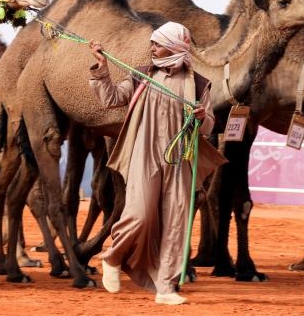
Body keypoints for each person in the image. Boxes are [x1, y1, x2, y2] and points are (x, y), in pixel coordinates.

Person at [88, 21, 226, 305]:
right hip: (145, 154)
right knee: (139, 213)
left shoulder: (199, 84)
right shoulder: (141, 77)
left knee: (177, 221)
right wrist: (102, 67)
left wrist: (202, 117)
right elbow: (111, 99)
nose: (152, 49)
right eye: (152, 43)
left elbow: (208, 126)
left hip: (181, 160)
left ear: (175, 48)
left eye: (158, 44)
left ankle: (166, 288)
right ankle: (112, 257)